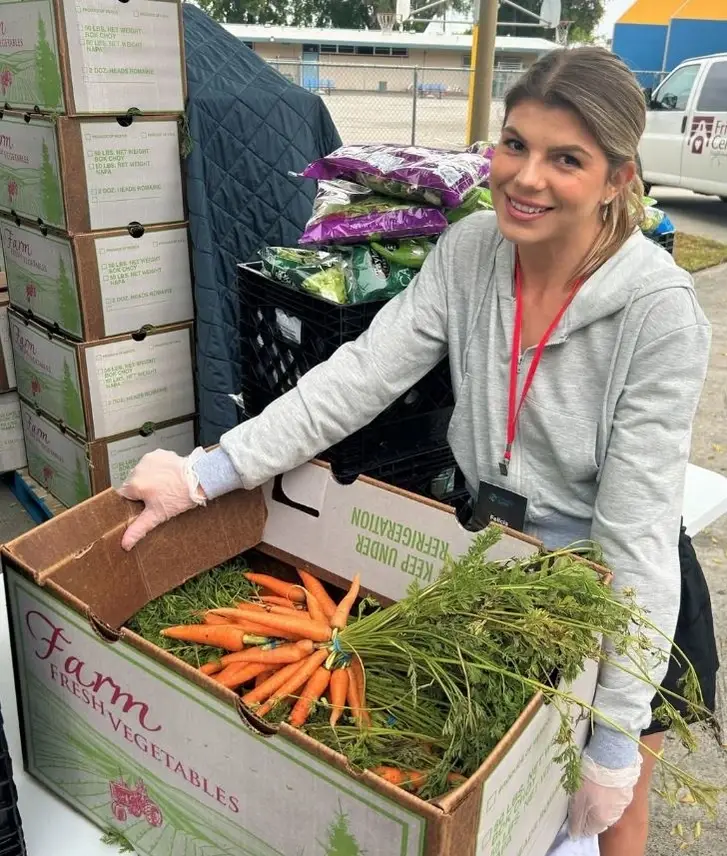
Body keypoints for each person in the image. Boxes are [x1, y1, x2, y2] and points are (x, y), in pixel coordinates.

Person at [118, 48, 714, 856]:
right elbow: (358, 374)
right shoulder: (469, 253)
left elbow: (636, 530)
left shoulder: (656, 313)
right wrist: (206, 473)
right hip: (501, 564)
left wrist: (613, 736)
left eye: (564, 158)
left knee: (608, 812)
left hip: (615, 589)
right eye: (514, 144)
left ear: (615, 178)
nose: (526, 178)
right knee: (511, 800)